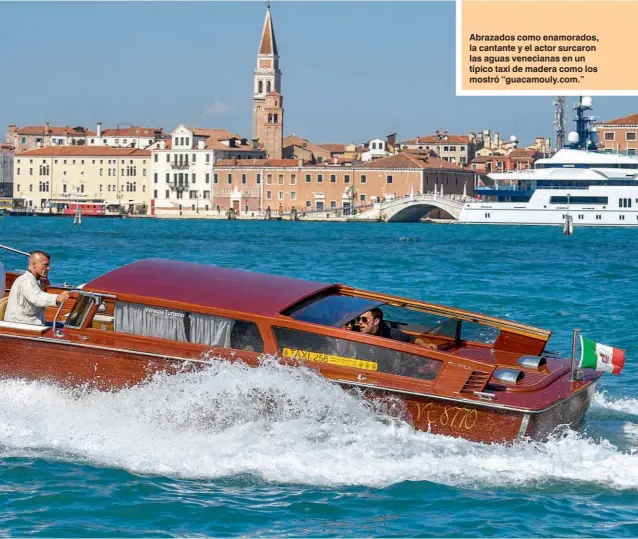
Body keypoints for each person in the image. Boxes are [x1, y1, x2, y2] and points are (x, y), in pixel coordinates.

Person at [4, 251, 69, 326]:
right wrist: (57, 298)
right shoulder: (26, 281)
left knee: (67, 326)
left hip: (34, 323)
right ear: (34, 265)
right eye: (45, 265)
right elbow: (37, 297)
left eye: (49, 265)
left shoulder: (38, 280)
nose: (48, 268)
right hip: (21, 326)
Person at [355, 308, 438, 350]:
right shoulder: (354, 332)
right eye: (359, 319)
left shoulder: (391, 333)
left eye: (364, 319)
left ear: (376, 321)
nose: (360, 322)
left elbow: (413, 339)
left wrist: (424, 344)